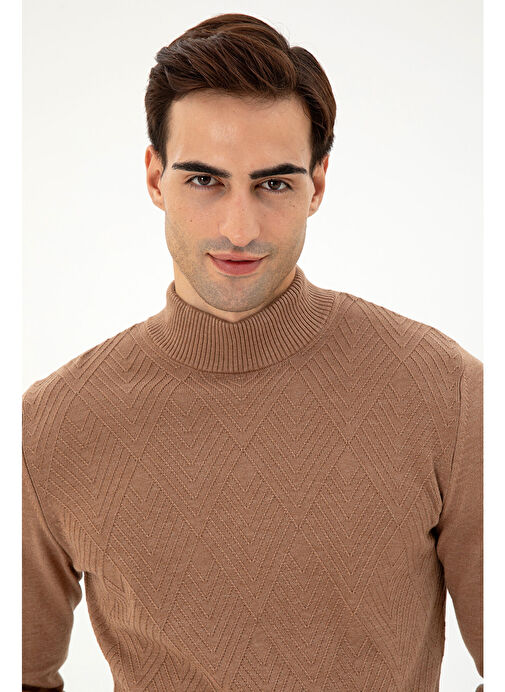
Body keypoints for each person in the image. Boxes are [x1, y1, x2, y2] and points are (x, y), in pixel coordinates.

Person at [22, 12, 483, 692]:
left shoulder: (446, 393)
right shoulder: (50, 425)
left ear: (317, 184)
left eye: (273, 184)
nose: (238, 229)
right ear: (154, 178)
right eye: (204, 180)